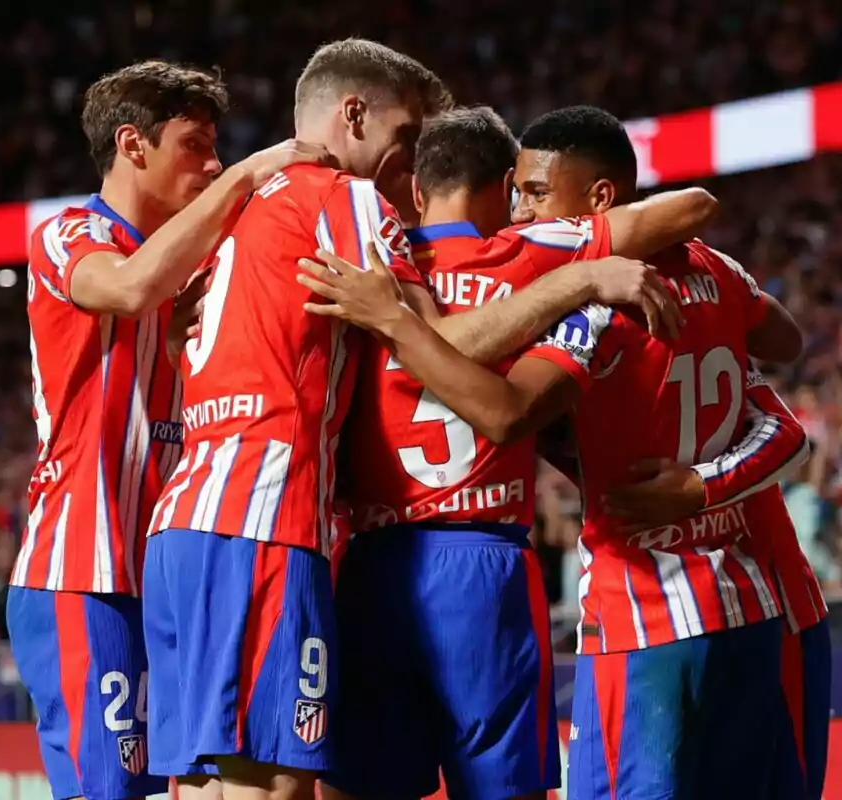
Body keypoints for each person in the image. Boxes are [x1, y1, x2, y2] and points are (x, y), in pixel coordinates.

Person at [141, 41, 672, 800]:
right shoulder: (354, 204)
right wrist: (584, 278)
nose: (407, 164)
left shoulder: (229, 213)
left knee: (211, 778)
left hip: (195, 520)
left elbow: (164, 314)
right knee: (279, 782)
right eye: (404, 133)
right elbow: (450, 348)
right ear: (353, 114)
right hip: (279, 523)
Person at [298, 105, 811, 799]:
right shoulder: (683, 270)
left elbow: (510, 411)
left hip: (620, 602)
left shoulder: (379, 271)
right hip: (737, 597)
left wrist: (395, 322)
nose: (520, 212)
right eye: (517, 194)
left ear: (416, 193)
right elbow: (784, 375)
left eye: (534, 195)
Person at [6, 60, 332, 800]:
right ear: (132, 145)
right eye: (195, 145)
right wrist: (246, 177)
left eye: (218, 148)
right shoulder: (68, 235)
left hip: (168, 571)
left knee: (198, 786)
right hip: (79, 574)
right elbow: (127, 287)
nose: (211, 162)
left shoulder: (200, 266)